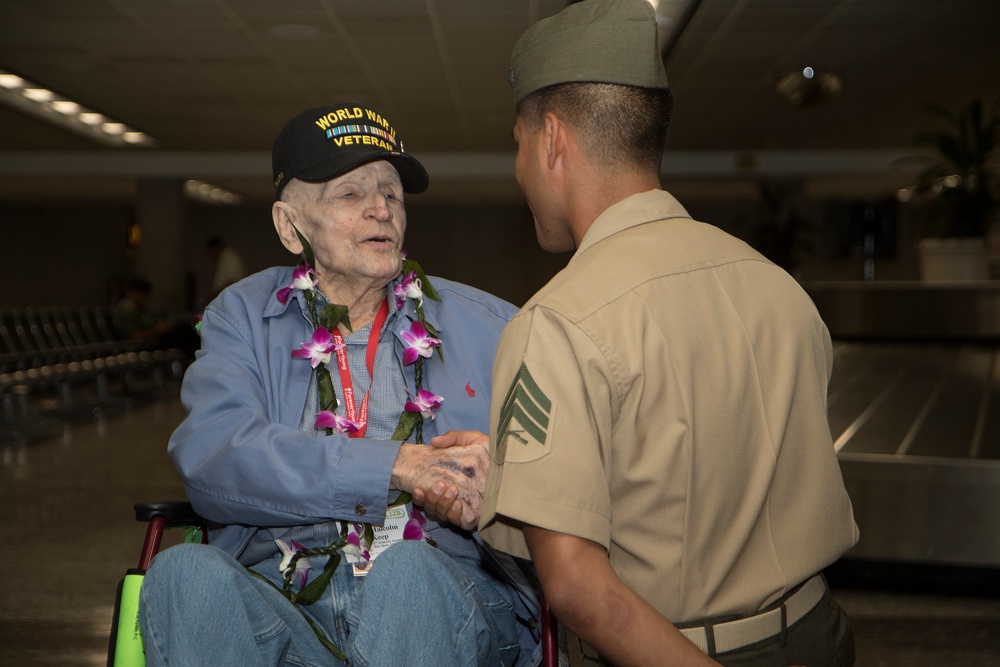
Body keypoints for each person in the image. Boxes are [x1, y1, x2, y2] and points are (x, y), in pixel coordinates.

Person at [475, 1, 860, 666]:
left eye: (517, 143)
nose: (518, 170)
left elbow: (575, 584)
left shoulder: (557, 321)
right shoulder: (779, 286)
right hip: (820, 633)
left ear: (552, 141)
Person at [138, 103, 542, 666]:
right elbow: (212, 453)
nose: (381, 209)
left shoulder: (493, 325)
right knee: (184, 573)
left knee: (407, 575)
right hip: (284, 603)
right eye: (350, 194)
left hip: (447, 599)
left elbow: (564, 468)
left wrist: (502, 477)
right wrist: (395, 465)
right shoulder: (243, 317)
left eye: (392, 194)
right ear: (290, 225)